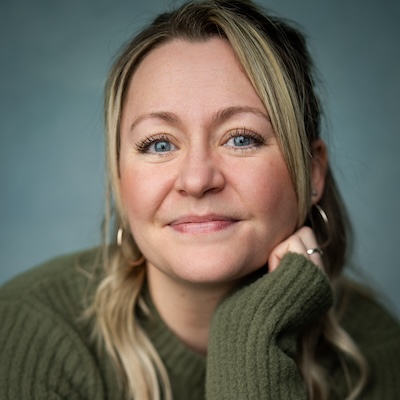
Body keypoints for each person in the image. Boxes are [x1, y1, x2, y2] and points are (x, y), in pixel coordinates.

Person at [0, 0, 399, 399]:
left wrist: (250, 333)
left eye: (241, 138)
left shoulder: (374, 350)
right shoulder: (28, 331)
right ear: (119, 177)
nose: (196, 180)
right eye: (158, 144)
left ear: (312, 172)